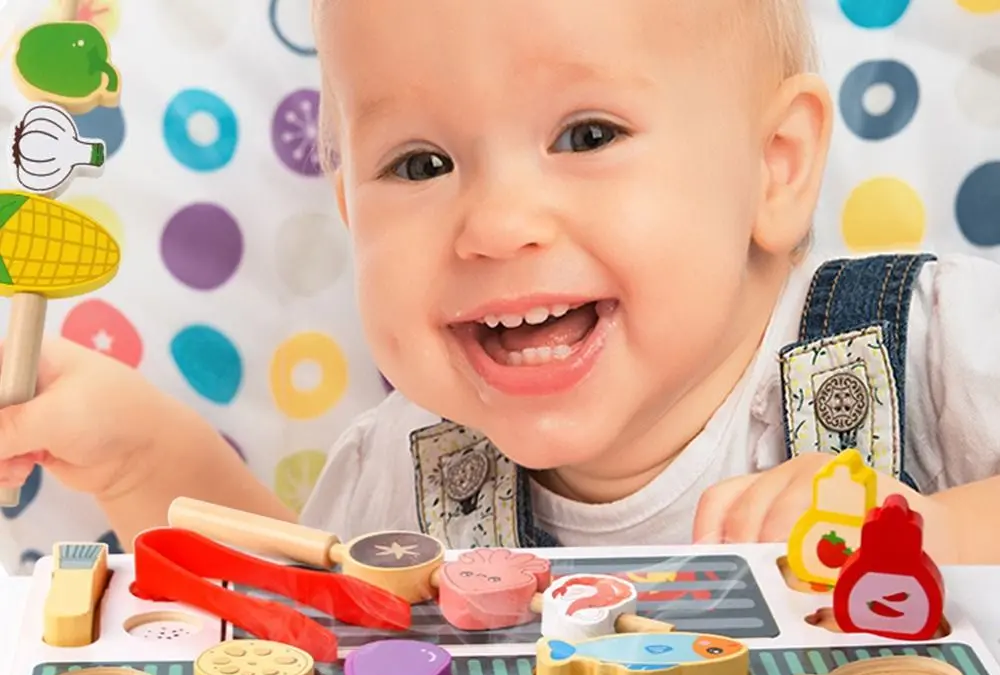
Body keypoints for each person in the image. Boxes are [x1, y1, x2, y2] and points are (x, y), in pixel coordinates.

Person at [0, 0, 998, 563]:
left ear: (774, 165)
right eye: (420, 164)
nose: (496, 225)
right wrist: (140, 458)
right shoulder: (409, 462)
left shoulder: (927, 343)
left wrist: (937, 533)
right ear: (351, 213)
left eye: (587, 135)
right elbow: (291, 624)